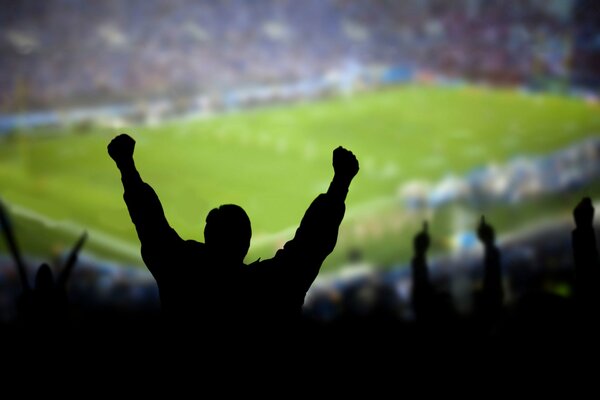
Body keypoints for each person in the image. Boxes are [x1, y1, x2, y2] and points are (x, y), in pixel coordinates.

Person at [108, 133, 359, 335]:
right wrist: (341, 181)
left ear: (207, 237)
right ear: (247, 242)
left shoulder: (180, 272)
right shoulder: (273, 286)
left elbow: (151, 225)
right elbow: (311, 245)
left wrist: (126, 166)